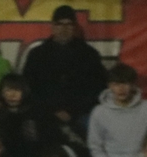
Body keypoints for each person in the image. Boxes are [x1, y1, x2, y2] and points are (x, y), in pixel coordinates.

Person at [21, 5, 108, 137]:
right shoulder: (37, 55)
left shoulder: (89, 54)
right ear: (52, 26)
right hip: (44, 114)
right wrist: (52, 110)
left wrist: (73, 111)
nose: (64, 29)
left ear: (74, 27)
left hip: (81, 114)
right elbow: (29, 87)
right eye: (59, 24)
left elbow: (98, 87)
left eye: (68, 24)